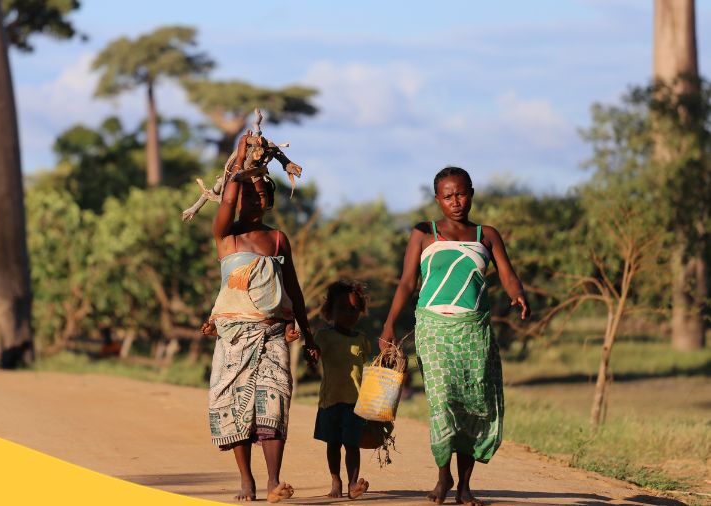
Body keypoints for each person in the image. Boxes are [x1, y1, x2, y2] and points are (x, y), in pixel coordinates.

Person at [380, 167, 529, 506]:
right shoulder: (424, 233)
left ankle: (464, 486)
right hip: (432, 328)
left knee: (472, 406)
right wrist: (390, 324)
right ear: (438, 199)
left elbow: (507, 274)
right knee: (443, 401)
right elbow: (406, 283)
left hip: (475, 331)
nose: (456, 201)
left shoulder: (486, 234)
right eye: (448, 196)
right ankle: (442, 474)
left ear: (472, 193)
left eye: (461, 194)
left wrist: (517, 293)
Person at [202, 130, 320, 503]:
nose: (254, 199)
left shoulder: (277, 240)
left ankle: (273, 480)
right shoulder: (227, 236)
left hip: (272, 333)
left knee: (275, 401)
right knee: (235, 407)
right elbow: (227, 199)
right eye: (247, 194)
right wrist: (240, 159)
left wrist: (308, 332)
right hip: (234, 336)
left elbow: (294, 289)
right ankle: (246, 481)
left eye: (261, 194)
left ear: (269, 199)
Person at [313, 280, 371, 500]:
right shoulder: (324, 336)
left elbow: (367, 367)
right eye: (341, 309)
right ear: (330, 311)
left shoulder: (362, 340)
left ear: (361, 311)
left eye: (353, 309)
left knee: (352, 445)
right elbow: (315, 355)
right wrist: (311, 356)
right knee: (333, 444)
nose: (348, 313)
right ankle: (335, 479)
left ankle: (353, 483)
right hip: (330, 401)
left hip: (356, 402)